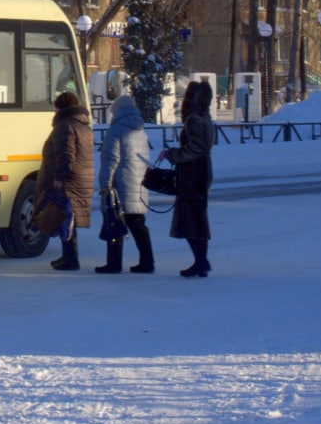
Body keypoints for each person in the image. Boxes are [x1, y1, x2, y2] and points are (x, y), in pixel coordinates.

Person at [157, 80, 215, 277]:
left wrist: (174, 154)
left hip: (193, 173)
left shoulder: (193, 120)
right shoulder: (205, 118)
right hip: (203, 171)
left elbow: (195, 149)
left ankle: (201, 261)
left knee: (189, 218)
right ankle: (201, 261)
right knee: (198, 216)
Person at [94, 94, 155, 274]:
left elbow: (111, 160)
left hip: (120, 183)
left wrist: (105, 183)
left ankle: (113, 263)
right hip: (139, 182)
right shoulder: (140, 131)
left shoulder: (116, 131)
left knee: (115, 222)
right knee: (138, 224)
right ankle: (147, 261)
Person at [35, 90, 94, 271]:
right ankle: (68, 256)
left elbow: (65, 155)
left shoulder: (65, 126)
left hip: (68, 180)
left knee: (63, 216)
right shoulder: (83, 126)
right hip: (82, 178)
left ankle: (70, 258)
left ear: (61, 107)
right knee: (68, 219)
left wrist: (59, 178)